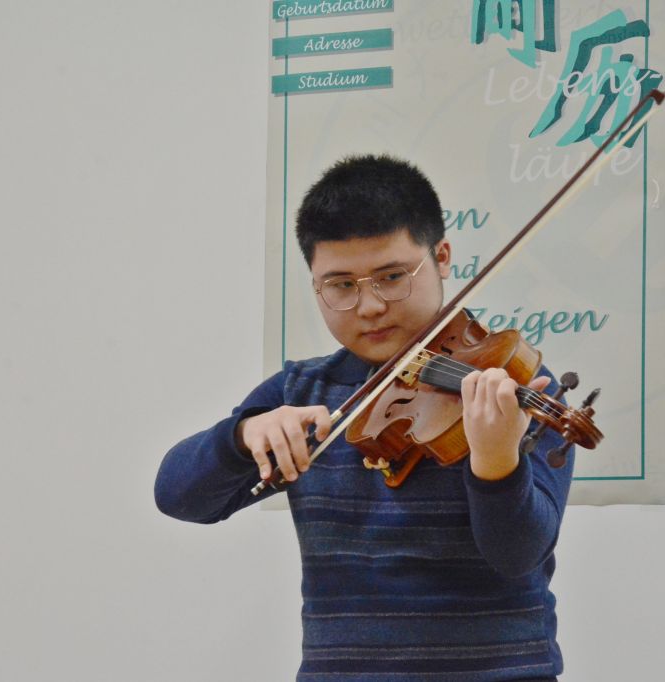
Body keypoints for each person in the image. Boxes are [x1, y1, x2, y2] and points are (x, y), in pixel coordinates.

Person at [154, 154, 574, 680]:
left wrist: (495, 463)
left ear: (442, 257)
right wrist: (240, 438)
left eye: (392, 277)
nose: (370, 306)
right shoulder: (303, 392)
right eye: (341, 285)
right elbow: (178, 497)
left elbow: (518, 554)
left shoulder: (508, 384)